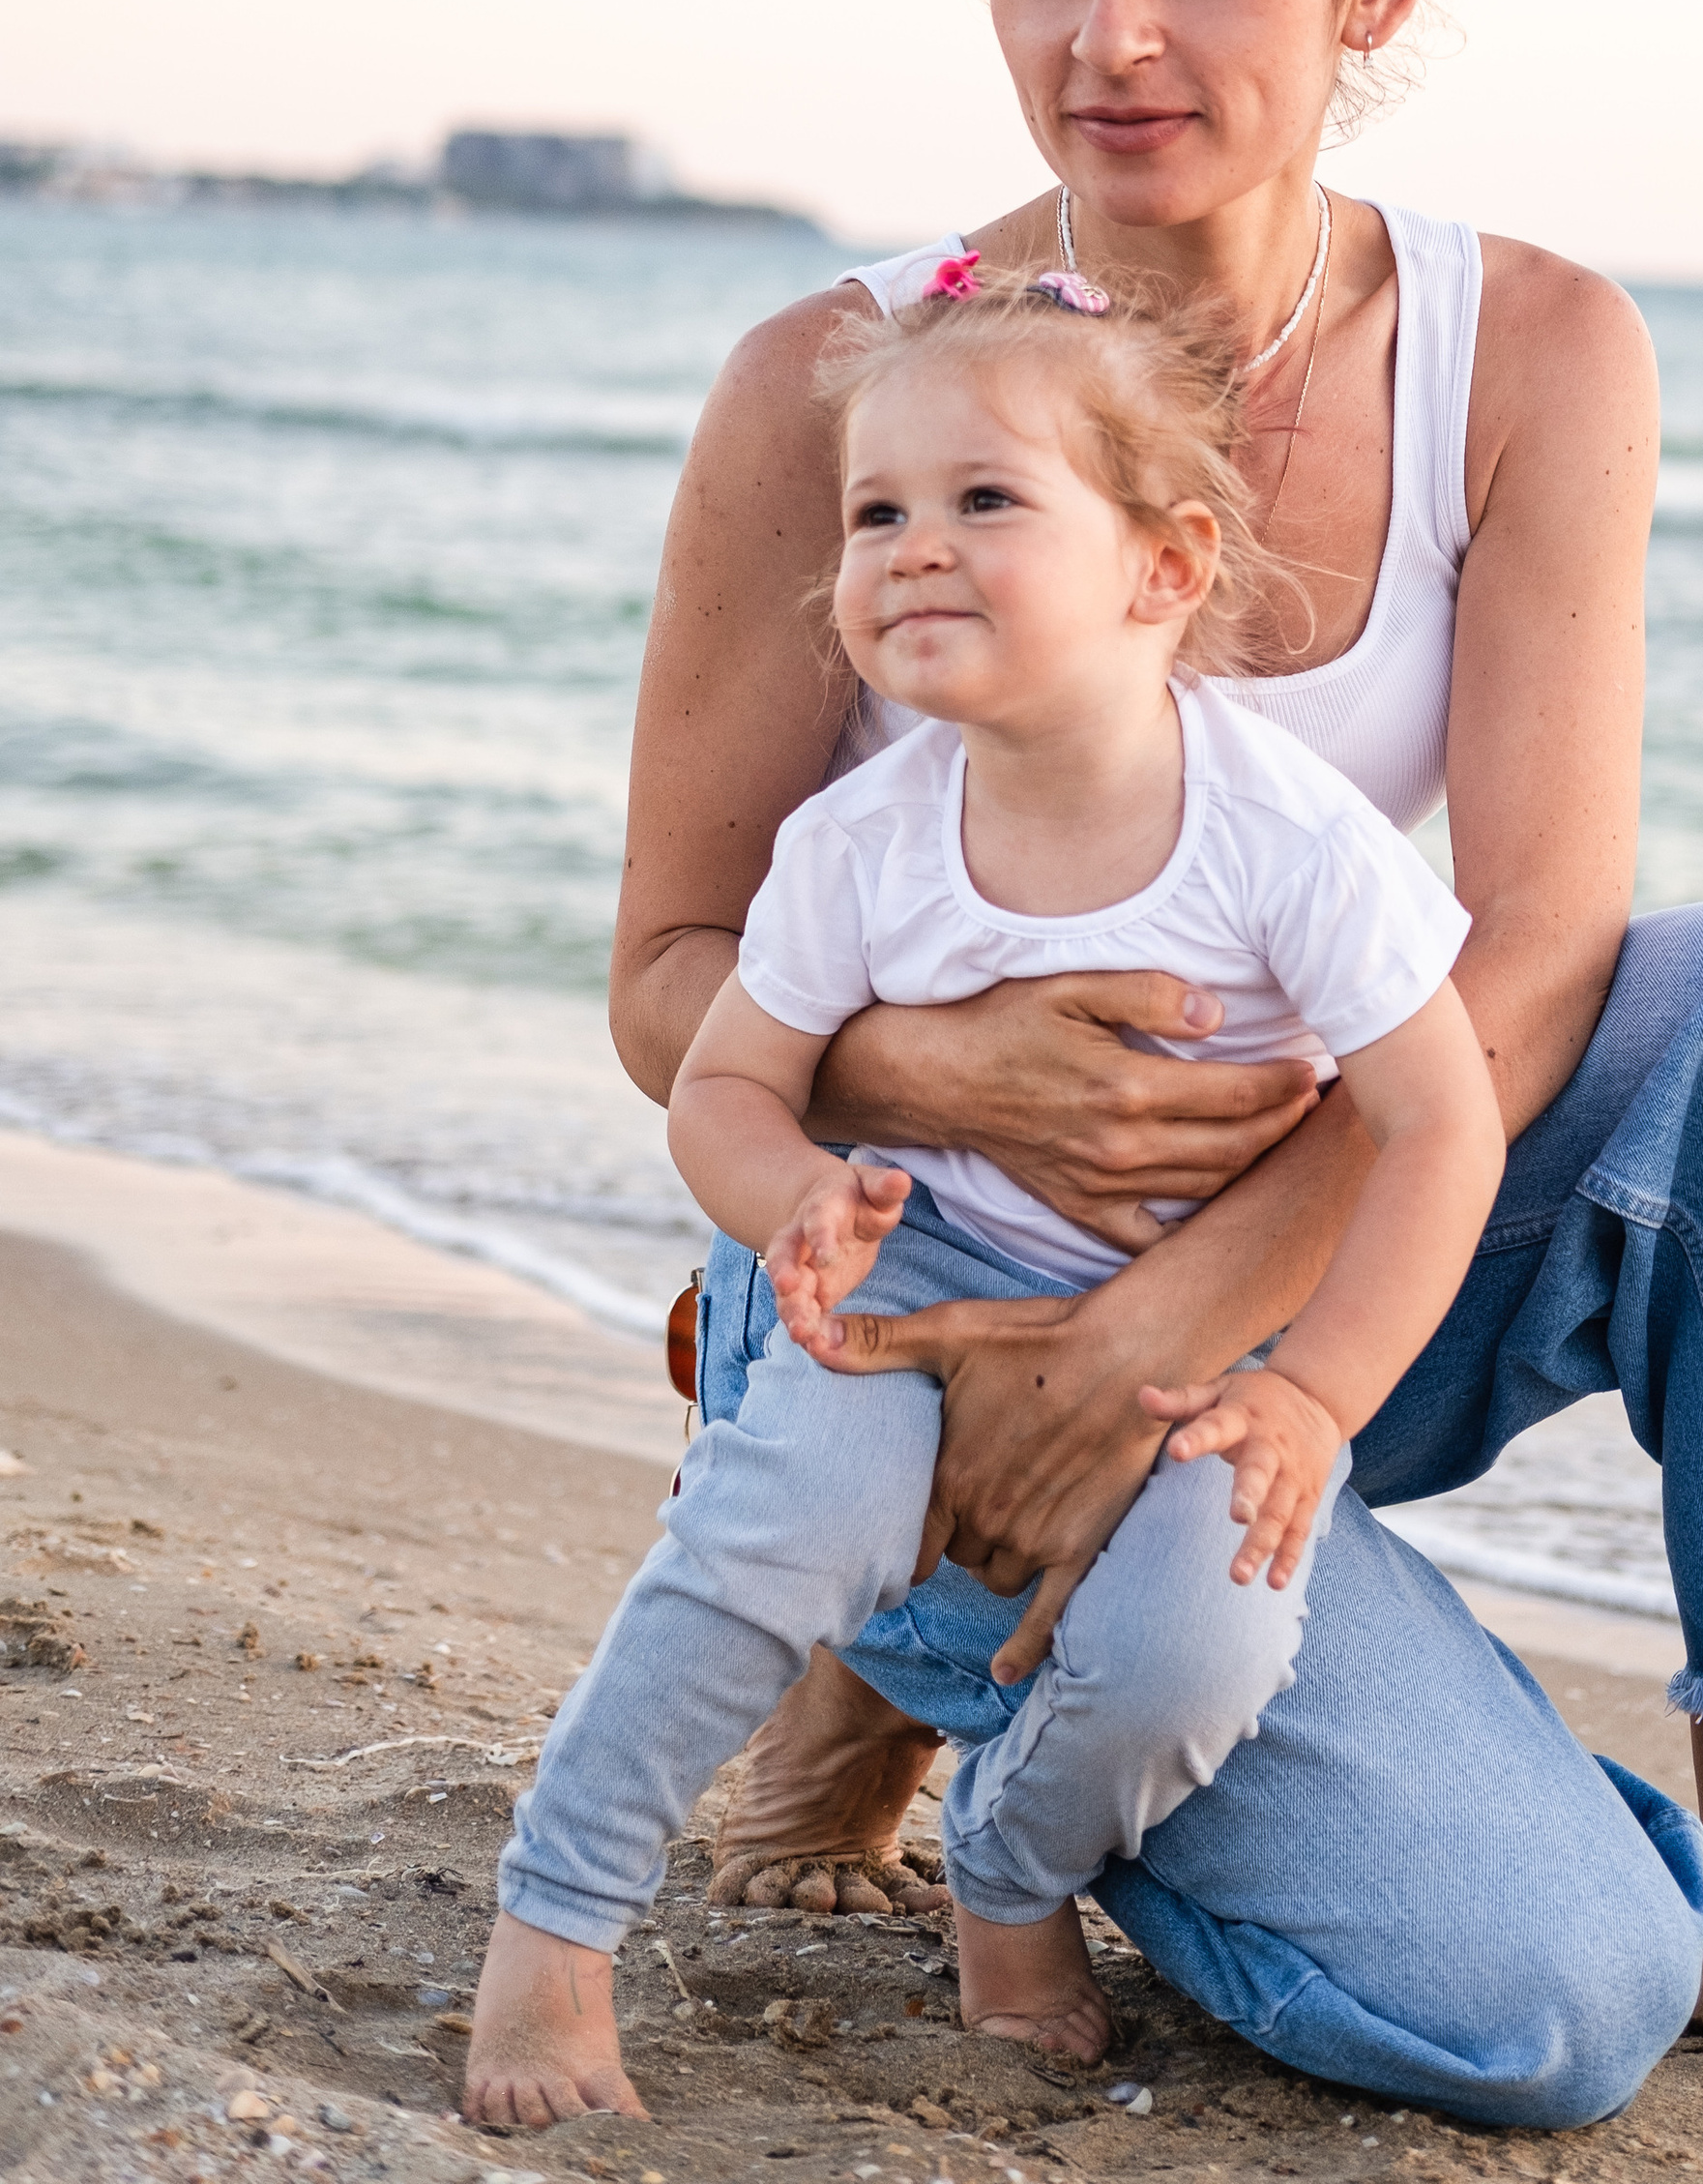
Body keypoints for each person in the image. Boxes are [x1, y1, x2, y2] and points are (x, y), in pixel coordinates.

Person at [608, 0, 1703, 2155]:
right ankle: (931, 1642)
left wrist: (1202, 1316)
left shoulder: (1533, 354)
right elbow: (664, 975)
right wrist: (919, 1066)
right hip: (936, 1301)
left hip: (1323, 1260)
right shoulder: (835, 387)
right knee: (1533, 2014)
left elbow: (1540, 951)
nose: (1113, 34)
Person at [467, 270, 1540, 2126]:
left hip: (1202, 1333)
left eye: (986, 500)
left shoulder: (1287, 841)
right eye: (875, 510)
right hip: (908, 1276)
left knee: (1190, 1660)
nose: (910, 547)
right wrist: (796, 1192)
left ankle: (1012, 1867)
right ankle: (554, 1929)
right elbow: (723, 1080)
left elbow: (1446, 1125)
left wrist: (1312, 1395)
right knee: (776, 1527)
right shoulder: (858, 845)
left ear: (1163, 565)